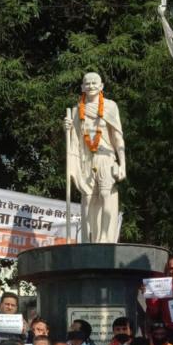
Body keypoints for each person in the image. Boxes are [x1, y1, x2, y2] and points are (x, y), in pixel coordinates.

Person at [64, 71, 126, 243]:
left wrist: (122, 165)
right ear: (82, 87)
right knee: (88, 198)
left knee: (106, 195)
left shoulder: (110, 106)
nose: (91, 86)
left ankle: (106, 237)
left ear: (101, 86)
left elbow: (118, 137)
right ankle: (89, 239)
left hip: (106, 157)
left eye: (94, 83)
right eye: (87, 83)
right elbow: (74, 140)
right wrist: (68, 128)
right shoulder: (77, 110)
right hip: (86, 161)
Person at [146, 256, 173, 345]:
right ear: (167, 270)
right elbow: (154, 312)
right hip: (166, 331)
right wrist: (149, 295)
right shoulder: (161, 286)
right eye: (171, 268)